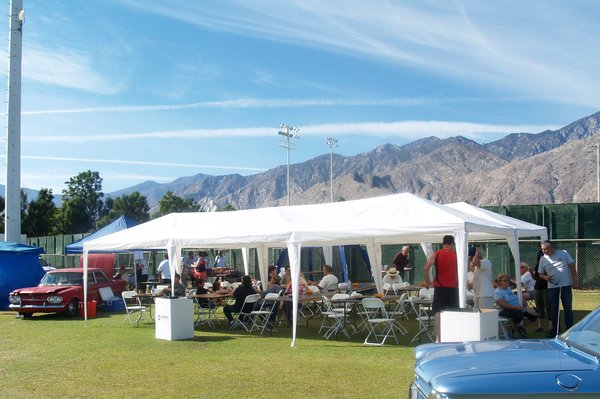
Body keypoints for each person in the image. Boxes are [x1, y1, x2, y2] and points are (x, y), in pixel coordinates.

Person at [538, 240, 578, 337]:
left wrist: (575, 280)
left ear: (551, 248)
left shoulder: (563, 253)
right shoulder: (543, 259)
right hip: (552, 288)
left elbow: (572, 267)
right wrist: (545, 277)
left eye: (545, 249)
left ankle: (569, 329)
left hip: (565, 286)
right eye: (542, 249)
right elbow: (540, 274)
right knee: (554, 309)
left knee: (568, 308)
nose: (544, 251)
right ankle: (555, 330)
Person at [423, 235, 459, 342]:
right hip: (453, 287)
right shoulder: (457, 255)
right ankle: (453, 337)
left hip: (440, 287)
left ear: (443, 243)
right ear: (453, 243)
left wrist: (427, 282)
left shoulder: (437, 254)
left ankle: (438, 338)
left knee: (438, 312)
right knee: (454, 312)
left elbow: (425, 268)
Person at [494, 273, 537, 338]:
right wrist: (516, 307)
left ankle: (522, 328)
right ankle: (512, 330)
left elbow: (514, 298)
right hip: (504, 310)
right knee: (519, 313)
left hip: (516, 308)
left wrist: (523, 301)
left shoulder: (508, 289)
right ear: (500, 282)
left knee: (534, 313)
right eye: (505, 280)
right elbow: (503, 305)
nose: (507, 281)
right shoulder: (497, 292)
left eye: (508, 280)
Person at [532, 250, 550, 333]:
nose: (541, 257)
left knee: (548, 307)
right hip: (537, 288)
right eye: (540, 255)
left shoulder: (549, 265)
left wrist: (543, 276)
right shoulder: (537, 264)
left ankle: (551, 327)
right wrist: (531, 273)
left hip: (547, 288)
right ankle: (540, 327)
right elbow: (535, 278)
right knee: (539, 307)